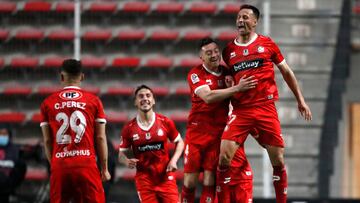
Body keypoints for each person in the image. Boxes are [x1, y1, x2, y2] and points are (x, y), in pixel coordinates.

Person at [219, 4, 312, 203]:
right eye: (238, 17)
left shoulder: (267, 44)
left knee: (278, 160)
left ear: (255, 21)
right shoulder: (229, 51)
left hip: (265, 108)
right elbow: (226, 79)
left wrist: (301, 100)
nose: (241, 21)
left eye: (245, 17)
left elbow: (286, 71)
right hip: (241, 110)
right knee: (224, 157)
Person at [181, 37, 257, 203]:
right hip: (197, 133)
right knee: (190, 181)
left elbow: (241, 95)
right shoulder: (195, 74)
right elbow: (207, 97)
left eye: (216, 51)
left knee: (210, 179)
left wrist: (236, 87)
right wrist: (236, 88)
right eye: (209, 53)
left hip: (218, 134)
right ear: (201, 57)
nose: (214, 55)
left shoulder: (227, 72)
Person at [40, 59, 111, 203]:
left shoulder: (47, 103)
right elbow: (100, 138)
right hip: (86, 165)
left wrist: (54, 164)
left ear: (61, 77)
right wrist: (104, 169)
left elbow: (47, 140)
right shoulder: (94, 101)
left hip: (60, 165)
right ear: (82, 77)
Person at [118, 85, 185, 203]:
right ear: (135, 102)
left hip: (165, 178)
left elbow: (180, 142)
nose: (145, 98)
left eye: (148, 96)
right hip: (145, 181)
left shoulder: (165, 122)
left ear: (153, 101)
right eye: (140, 96)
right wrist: (126, 161)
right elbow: (121, 155)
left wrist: (174, 160)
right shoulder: (129, 128)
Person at [0, 125, 27, 203]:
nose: (1, 136)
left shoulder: (15, 150)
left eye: (4, 134)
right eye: (0, 134)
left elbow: (21, 169)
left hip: (6, 190)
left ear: (9, 136)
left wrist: (11, 185)